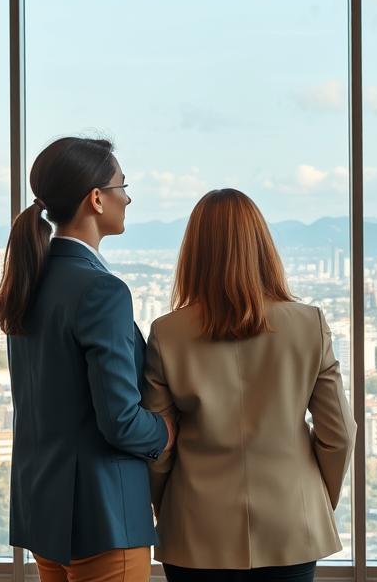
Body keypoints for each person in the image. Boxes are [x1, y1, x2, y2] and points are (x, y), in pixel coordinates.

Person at [143, 188, 356, 582]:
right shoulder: (308, 324)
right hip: (291, 523)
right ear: (262, 246)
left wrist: (165, 505)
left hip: (196, 527)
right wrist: (314, 497)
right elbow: (339, 432)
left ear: (194, 252)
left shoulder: (167, 333)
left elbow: (160, 444)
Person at [0, 137, 173, 582]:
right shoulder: (101, 290)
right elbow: (121, 421)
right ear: (96, 198)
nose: (126, 198)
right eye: (122, 186)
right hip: (104, 514)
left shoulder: (29, 281)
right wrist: (168, 431)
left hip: (45, 511)